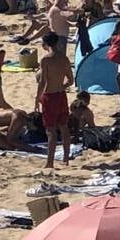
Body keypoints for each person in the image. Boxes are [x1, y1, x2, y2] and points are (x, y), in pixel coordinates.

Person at [36, 31, 74, 169]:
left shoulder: (46, 60)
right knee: (64, 127)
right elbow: (71, 80)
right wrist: (61, 86)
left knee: (50, 131)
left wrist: (37, 98)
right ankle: (66, 158)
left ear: (45, 44)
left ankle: (50, 162)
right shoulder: (64, 59)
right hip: (61, 95)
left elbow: (42, 82)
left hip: (49, 96)